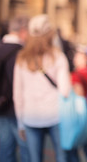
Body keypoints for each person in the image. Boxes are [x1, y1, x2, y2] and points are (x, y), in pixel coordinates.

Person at [13, 14, 71, 162]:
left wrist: (20, 124)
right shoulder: (58, 57)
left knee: (34, 159)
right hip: (55, 115)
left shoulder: (21, 59)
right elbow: (65, 91)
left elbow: (17, 94)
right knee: (61, 157)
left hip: (30, 116)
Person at [0, 16, 30, 162]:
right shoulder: (21, 53)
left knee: (5, 148)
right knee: (26, 148)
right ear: (23, 31)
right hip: (15, 108)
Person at [65, 45, 87, 162]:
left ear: (85, 58)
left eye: (77, 57)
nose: (74, 59)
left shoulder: (76, 75)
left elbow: (78, 96)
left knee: (73, 146)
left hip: (80, 113)